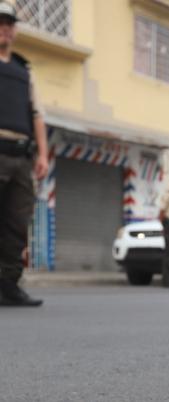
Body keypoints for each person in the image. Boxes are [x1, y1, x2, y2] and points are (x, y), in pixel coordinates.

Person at [0, 2, 48, 307]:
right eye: (1, 23)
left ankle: (8, 285)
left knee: (17, 224)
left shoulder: (22, 71)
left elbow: (37, 114)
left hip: (21, 156)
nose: (6, 28)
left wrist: (43, 154)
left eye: (10, 24)